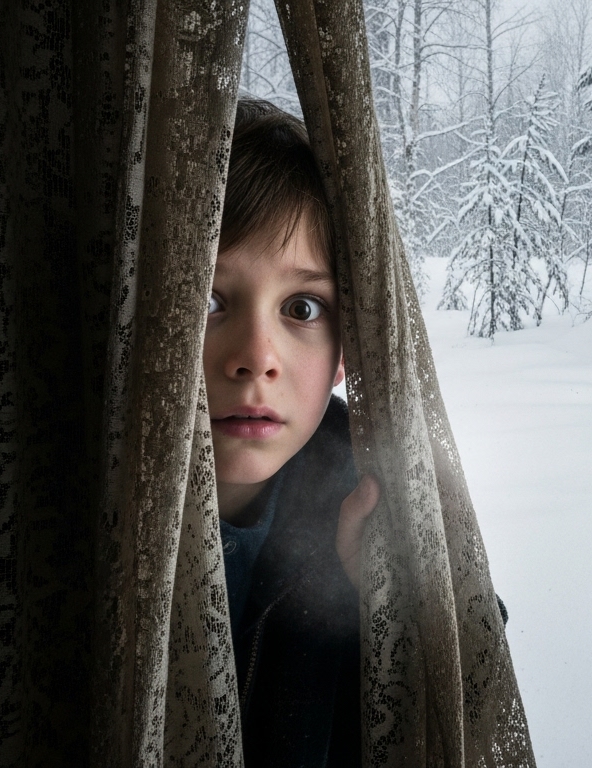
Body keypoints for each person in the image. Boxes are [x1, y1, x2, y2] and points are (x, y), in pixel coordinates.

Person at [205, 97, 378, 767]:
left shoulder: (364, 506)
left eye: (302, 307)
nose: (256, 356)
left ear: (344, 354)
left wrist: (387, 609)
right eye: (208, 300)